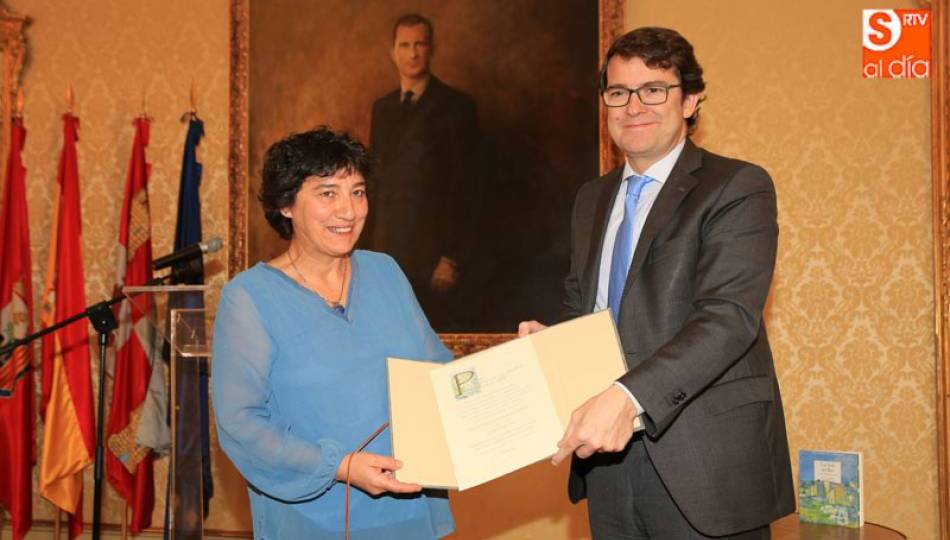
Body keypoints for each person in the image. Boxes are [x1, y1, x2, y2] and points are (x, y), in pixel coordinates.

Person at [518, 27, 794, 538]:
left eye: (654, 89)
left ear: (690, 100)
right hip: (608, 465)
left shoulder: (737, 186)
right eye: (619, 93)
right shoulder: (590, 199)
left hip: (705, 464)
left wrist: (626, 397)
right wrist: (551, 348)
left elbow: (727, 319)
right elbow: (589, 312)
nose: (634, 106)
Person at [211, 127, 455, 539]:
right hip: (315, 519)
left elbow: (437, 373)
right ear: (286, 205)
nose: (349, 211)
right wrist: (339, 466)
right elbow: (240, 423)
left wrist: (516, 368)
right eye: (328, 193)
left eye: (357, 192)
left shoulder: (385, 272)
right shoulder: (248, 297)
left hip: (411, 509)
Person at [367, 13, 479, 331]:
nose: (413, 53)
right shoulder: (382, 109)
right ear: (393, 52)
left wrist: (451, 258)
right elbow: (375, 186)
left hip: (433, 259)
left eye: (420, 44)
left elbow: (468, 190)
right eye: (405, 45)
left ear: (432, 49)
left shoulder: (458, 107)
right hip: (387, 253)